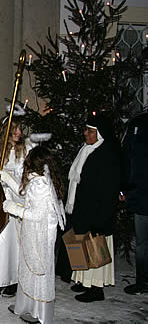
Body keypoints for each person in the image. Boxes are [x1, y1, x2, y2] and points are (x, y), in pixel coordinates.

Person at [1, 146, 66, 324]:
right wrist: (7, 178)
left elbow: (36, 214)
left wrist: (12, 208)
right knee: (29, 268)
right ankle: (25, 305)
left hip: (39, 234)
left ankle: (40, 312)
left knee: (38, 270)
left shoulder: (40, 185)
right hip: (35, 233)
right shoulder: (40, 180)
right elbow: (24, 193)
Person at [66, 112, 121, 302]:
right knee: (81, 246)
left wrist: (101, 218)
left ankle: (96, 289)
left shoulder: (106, 155)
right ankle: (82, 281)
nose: (85, 134)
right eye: (85, 130)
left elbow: (108, 190)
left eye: (89, 131)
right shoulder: (86, 150)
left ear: (100, 134)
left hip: (97, 214)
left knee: (95, 250)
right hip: (83, 210)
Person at [0, 116, 34, 297]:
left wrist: (15, 181)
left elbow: (32, 175)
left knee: (15, 242)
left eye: (20, 130)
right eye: (14, 130)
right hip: (0, 200)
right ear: (5, 131)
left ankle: (14, 280)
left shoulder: (26, 149)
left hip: (18, 201)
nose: (18, 133)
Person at [121, 112, 148, 295]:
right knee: (142, 243)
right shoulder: (139, 123)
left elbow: (127, 158)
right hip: (141, 194)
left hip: (141, 194)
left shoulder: (139, 123)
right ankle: (142, 282)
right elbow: (127, 158)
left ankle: (142, 282)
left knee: (143, 243)